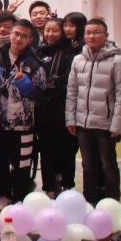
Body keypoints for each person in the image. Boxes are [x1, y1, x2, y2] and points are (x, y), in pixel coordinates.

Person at [66, 18, 121, 203]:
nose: (91, 36)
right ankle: (90, 200)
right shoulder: (78, 59)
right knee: (88, 165)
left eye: (96, 32)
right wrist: (70, 119)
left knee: (108, 164)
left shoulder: (118, 61)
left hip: (106, 123)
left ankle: (112, 200)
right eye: (88, 33)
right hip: (82, 123)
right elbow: (72, 91)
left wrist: (117, 125)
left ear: (106, 35)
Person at [0, 19, 45, 207]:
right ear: (10, 33)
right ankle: (4, 194)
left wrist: (24, 83)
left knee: (22, 163)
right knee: (1, 161)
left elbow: (41, 94)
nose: (18, 38)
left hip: (24, 125)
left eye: (24, 36)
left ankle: (21, 197)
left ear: (30, 39)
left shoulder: (34, 62)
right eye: (16, 34)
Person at [35, 17, 79, 196]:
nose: (50, 34)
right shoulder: (38, 51)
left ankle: (67, 186)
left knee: (67, 150)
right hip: (43, 110)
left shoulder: (70, 52)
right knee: (46, 151)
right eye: (47, 30)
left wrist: (51, 83)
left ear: (62, 33)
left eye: (55, 30)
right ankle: (49, 188)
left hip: (64, 109)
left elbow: (69, 77)